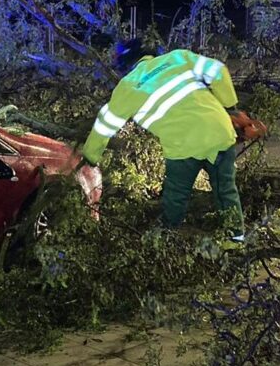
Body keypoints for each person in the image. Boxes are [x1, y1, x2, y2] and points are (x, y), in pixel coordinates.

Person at [77, 39, 253, 240]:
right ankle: (234, 242)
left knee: (176, 196)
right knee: (226, 191)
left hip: (184, 147)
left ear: (126, 66)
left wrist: (90, 157)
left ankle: (169, 238)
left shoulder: (127, 86)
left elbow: (104, 124)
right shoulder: (177, 57)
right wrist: (231, 107)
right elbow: (218, 70)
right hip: (220, 133)